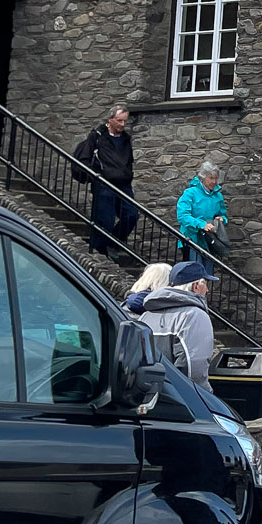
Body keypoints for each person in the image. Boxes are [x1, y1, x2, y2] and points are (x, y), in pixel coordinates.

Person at [138, 261, 218, 394]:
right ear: (196, 285)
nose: (208, 290)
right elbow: (194, 365)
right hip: (180, 397)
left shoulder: (146, 315)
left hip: (147, 393)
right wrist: (204, 397)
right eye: (206, 284)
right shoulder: (194, 315)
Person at [74, 105, 137, 252]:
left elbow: (128, 160)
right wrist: (95, 176)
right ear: (110, 119)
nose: (122, 125)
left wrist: (127, 174)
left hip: (123, 182)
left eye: (124, 121)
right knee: (104, 221)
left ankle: (112, 244)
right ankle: (99, 251)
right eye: (119, 121)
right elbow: (84, 158)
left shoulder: (126, 139)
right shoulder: (97, 136)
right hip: (104, 183)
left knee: (131, 215)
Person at [175, 159, 230, 264]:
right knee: (194, 273)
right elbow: (182, 216)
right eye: (211, 178)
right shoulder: (190, 193)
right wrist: (202, 225)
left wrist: (222, 219)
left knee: (208, 273)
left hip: (210, 240)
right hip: (191, 239)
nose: (214, 182)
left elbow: (222, 214)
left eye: (216, 178)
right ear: (203, 178)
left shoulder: (218, 196)